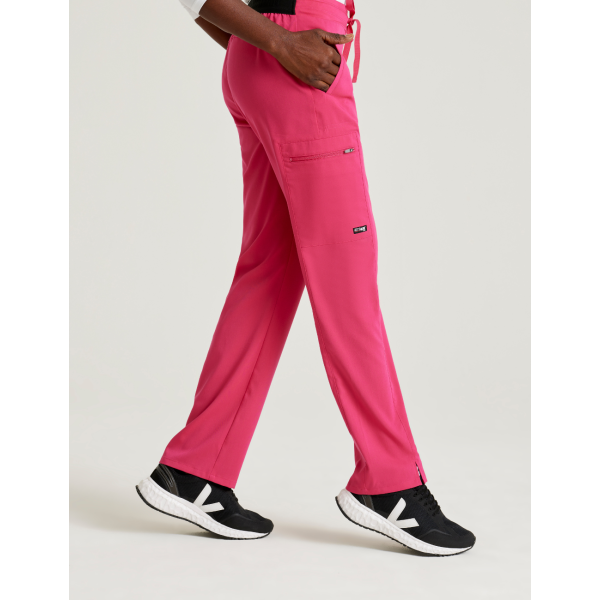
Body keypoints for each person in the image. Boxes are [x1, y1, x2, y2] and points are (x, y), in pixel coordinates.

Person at [136, 0, 475, 556]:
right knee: (348, 287)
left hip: (275, 56)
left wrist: (259, 44)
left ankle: (195, 469)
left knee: (270, 273)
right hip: (295, 65)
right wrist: (278, 42)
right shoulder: (284, 46)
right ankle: (390, 482)